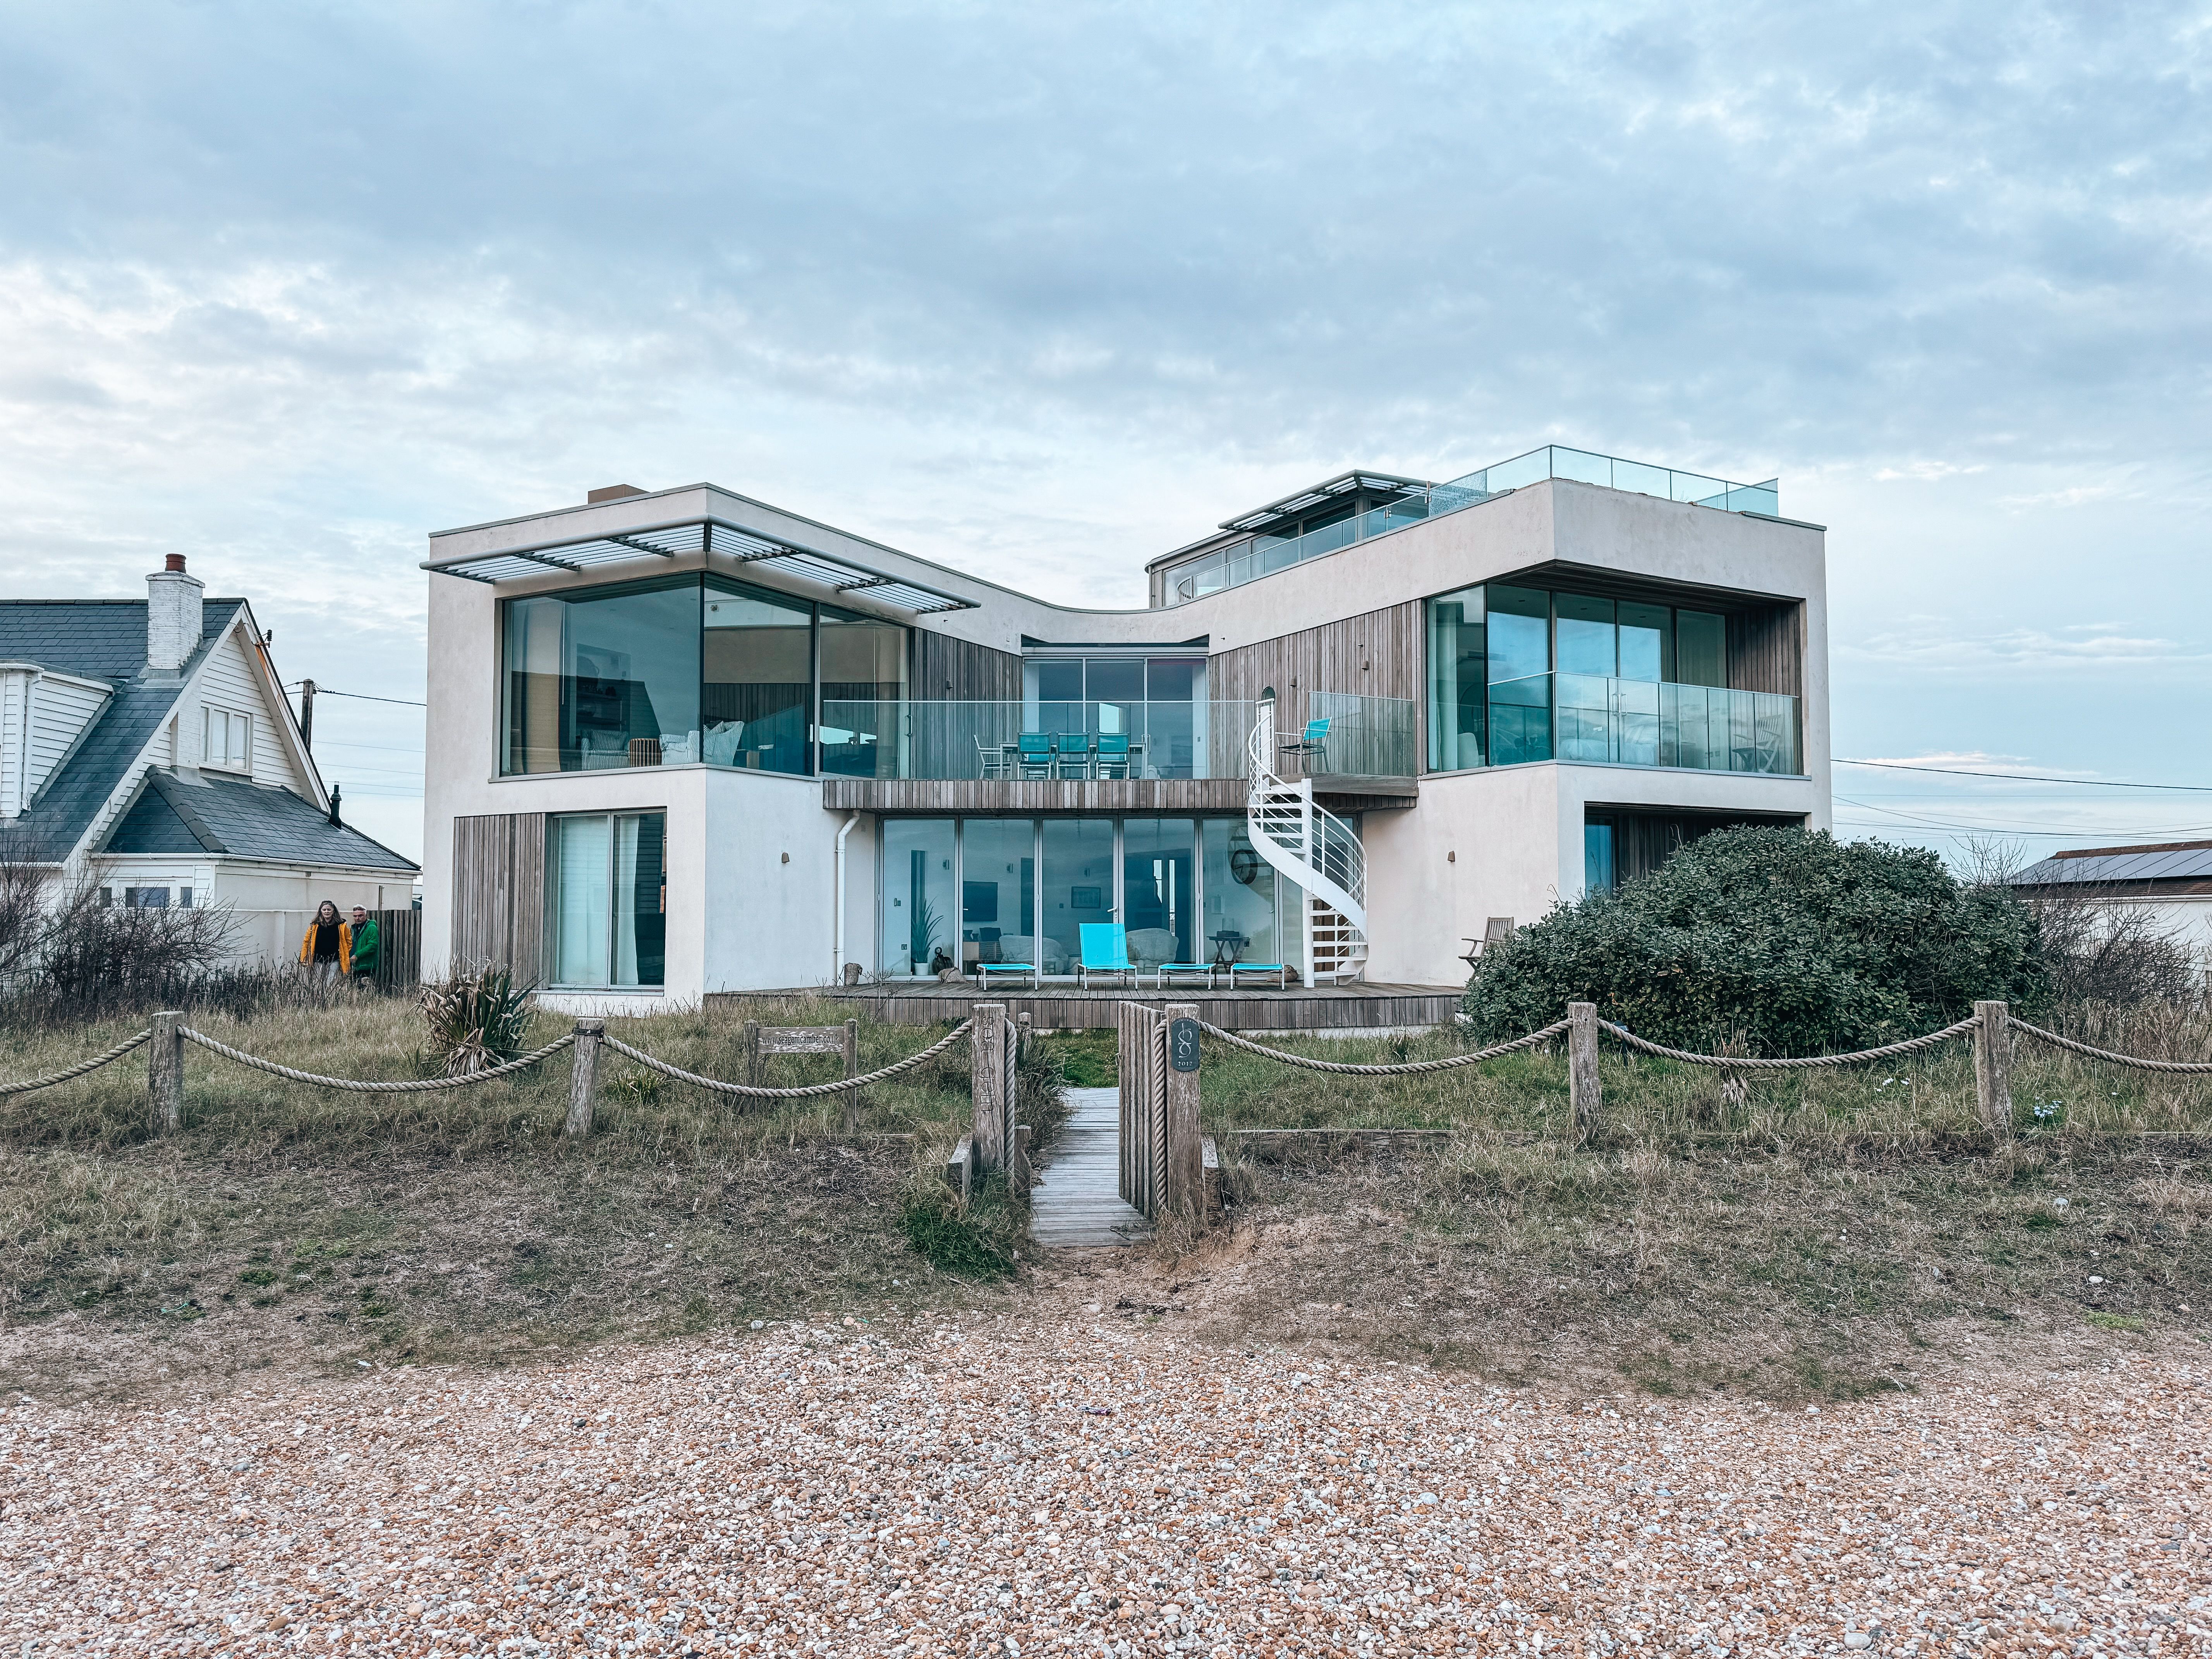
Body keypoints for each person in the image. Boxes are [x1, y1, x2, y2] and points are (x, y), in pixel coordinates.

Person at [299, 900, 350, 983]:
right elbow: (307, 942)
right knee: (318, 983)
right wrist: (304, 958)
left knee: (331, 984)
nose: (327, 912)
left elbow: (349, 942)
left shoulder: (341, 926)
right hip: (318, 960)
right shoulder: (315, 926)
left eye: (329, 910)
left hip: (334, 960)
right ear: (321, 911)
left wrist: (344, 953)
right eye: (325, 910)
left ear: (333, 911)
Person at [348, 905, 381, 988]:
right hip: (355, 965)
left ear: (366, 916)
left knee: (365, 989)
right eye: (355, 916)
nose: (357, 918)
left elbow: (372, 946)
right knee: (355, 989)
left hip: (367, 965)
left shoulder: (371, 928)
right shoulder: (354, 928)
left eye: (360, 916)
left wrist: (357, 955)